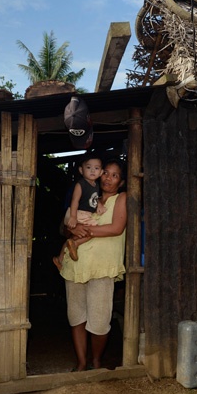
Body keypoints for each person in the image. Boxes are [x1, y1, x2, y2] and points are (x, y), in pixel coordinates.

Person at [58, 159, 127, 371]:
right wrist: (72, 229)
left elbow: (116, 228)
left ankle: (96, 361)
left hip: (102, 267)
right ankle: (81, 363)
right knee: (76, 317)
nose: (108, 177)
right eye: (106, 172)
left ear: (121, 182)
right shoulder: (86, 194)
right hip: (76, 266)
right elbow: (65, 227)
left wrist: (83, 230)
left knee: (99, 322)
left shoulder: (121, 199)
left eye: (115, 175)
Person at [52, 155, 105, 270]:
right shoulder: (80, 184)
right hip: (78, 213)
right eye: (88, 167)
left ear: (101, 172)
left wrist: (99, 205)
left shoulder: (96, 186)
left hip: (84, 214)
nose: (92, 171)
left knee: (74, 237)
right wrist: (73, 217)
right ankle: (75, 244)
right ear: (81, 170)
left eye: (96, 168)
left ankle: (60, 259)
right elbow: (74, 201)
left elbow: (95, 199)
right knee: (93, 231)